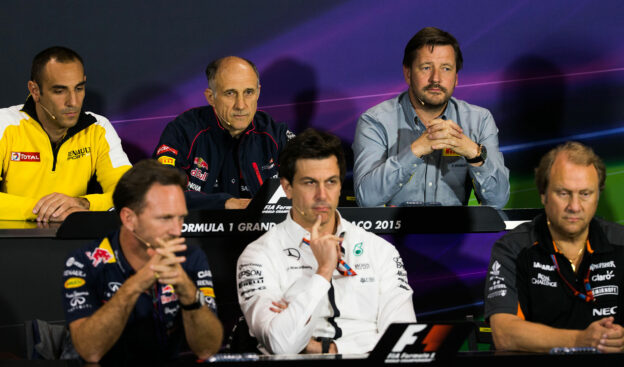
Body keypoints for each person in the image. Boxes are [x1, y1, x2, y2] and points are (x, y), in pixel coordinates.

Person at [236, 128, 416, 355]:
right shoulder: (259, 255)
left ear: (341, 185)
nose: (322, 194)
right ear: (287, 188)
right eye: (310, 183)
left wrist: (328, 349)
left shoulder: (380, 250)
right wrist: (323, 273)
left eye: (331, 181)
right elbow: (281, 344)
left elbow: (404, 341)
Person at [61, 160, 223, 364]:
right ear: (129, 218)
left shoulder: (189, 257)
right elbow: (90, 352)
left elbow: (207, 348)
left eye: (181, 218)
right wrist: (141, 280)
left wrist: (186, 288)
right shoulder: (83, 262)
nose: (177, 230)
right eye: (165, 218)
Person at [485, 142, 624, 353]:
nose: (575, 206)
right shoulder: (512, 248)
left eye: (585, 193)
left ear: (598, 195)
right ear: (543, 194)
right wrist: (581, 340)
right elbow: (504, 334)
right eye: (563, 193)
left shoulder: (621, 242)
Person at [352, 27, 509, 209]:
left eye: (446, 68)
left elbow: (498, 201)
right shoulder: (375, 121)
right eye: (426, 67)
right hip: (392, 236)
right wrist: (416, 150)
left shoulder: (479, 120)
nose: (436, 78)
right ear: (408, 73)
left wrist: (474, 153)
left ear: (456, 77)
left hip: (454, 234)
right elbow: (367, 199)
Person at [0, 46, 131, 222]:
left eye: (79, 88)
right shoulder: (4, 124)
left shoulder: (99, 128)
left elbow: (130, 192)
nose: (73, 102)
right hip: (11, 245)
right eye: (59, 91)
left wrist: (83, 204)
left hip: (75, 240)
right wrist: (44, 210)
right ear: (35, 90)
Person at [153, 56, 293, 210]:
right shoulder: (183, 131)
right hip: (196, 232)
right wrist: (225, 203)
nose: (241, 105)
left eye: (248, 92)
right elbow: (163, 190)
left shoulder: (275, 134)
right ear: (211, 97)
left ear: (258, 92)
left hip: (265, 232)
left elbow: (311, 184)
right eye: (230, 93)